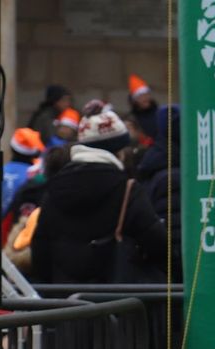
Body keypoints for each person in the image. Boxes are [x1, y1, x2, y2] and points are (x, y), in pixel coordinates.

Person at [29, 103, 166, 284]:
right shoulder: (127, 190)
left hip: (67, 302)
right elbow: (158, 245)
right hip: (117, 301)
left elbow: (40, 252)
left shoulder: (54, 189)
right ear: (119, 152)